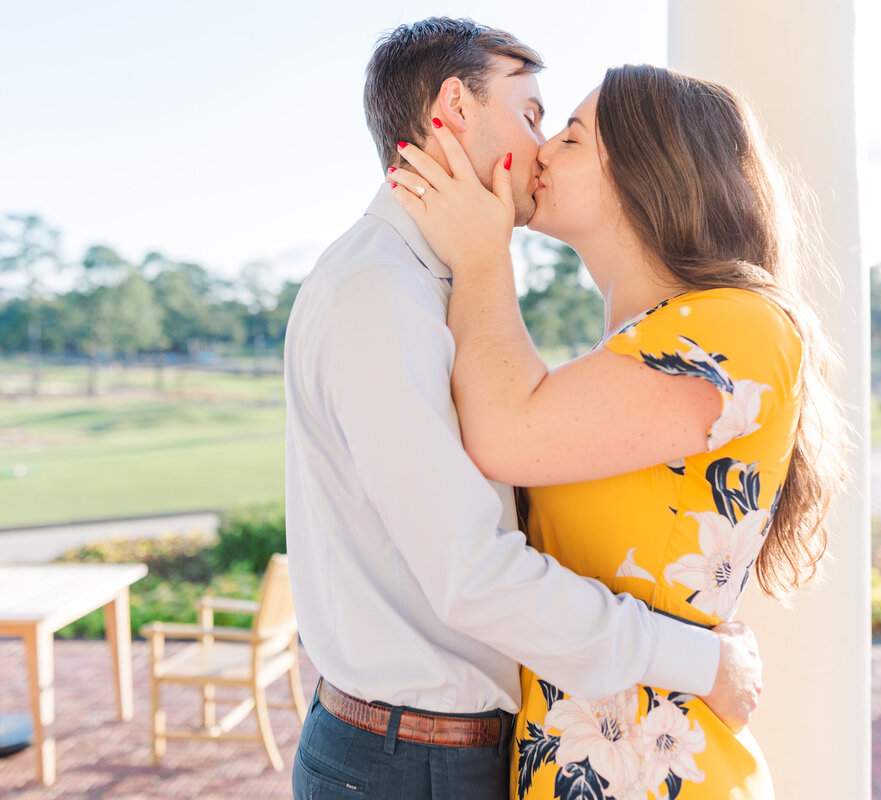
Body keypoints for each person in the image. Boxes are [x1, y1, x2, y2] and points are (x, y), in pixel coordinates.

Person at [284, 18, 765, 800]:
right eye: (534, 115)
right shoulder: (381, 295)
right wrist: (699, 660)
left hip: (436, 751)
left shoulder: (440, 288)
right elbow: (473, 577)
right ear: (454, 109)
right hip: (413, 760)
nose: (542, 148)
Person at [387, 65, 847, 798]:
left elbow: (506, 434)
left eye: (569, 137)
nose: (538, 152)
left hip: (654, 775)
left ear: (646, 170)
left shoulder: (738, 324)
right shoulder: (638, 350)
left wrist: (480, 256)